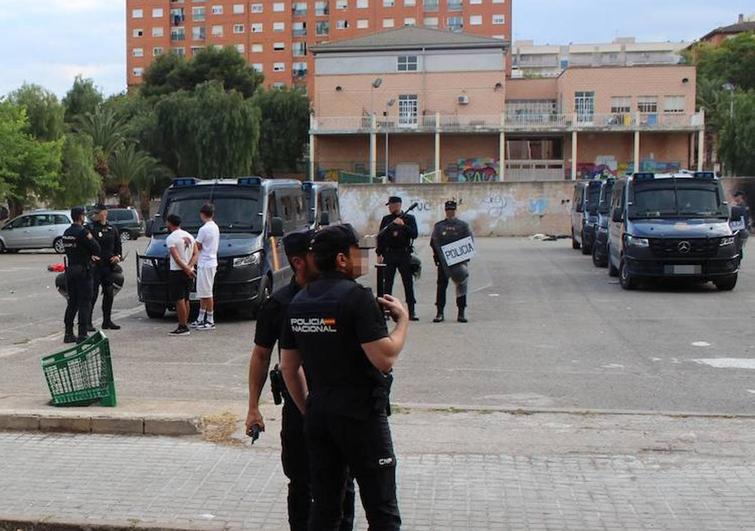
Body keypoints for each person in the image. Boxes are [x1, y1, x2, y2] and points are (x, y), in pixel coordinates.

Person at [280, 224, 408, 531]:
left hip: (320, 416)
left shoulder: (299, 302)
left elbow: (288, 367)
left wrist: (308, 408)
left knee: (325, 510)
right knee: (382, 511)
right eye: (357, 253)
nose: (363, 258)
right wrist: (402, 320)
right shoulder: (356, 298)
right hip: (360, 417)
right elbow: (385, 358)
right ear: (341, 259)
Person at [246, 230, 355, 531]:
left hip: (340, 406)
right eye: (312, 252)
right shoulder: (278, 305)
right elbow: (260, 356)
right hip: (299, 409)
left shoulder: (343, 296)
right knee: (301, 483)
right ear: (299, 261)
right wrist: (253, 407)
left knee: (344, 483)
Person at [430, 200, 474, 324]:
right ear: (445, 211)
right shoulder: (439, 226)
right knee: (441, 286)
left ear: (455, 210)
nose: (450, 212)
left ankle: (461, 313)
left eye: (452, 210)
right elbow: (434, 242)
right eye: (448, 210)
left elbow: (469, 241)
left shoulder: (463, 226)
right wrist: (438, 257)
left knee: (461, 286)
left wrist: (464, 257)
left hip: (458, 261)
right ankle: (439, 312)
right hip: (443, 262)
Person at [377, 196, 419, 321]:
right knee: (387, 283)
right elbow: (380, 237)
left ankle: (411, 311)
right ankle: (386, 310)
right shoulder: (387, 219)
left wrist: (403, 226)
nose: (389, 207)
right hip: (389, 254)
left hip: (404, 254)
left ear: (398, 205)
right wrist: (379, 253)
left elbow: (414, 234)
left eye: (391, 205)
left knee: (408, 283)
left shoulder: (409, 218)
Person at [62, 206, 101, 344]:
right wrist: (91, 256)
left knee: (72, 302)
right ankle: (82, 334)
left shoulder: (66, 232)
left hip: (70, 269)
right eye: (83, 215)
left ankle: (68, 333)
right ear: (80, 216)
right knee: (85, 302)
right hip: (83, 270)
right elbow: (96, 247)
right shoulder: (83, 232)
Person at [88, 205, 123, 331]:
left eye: (100, 212)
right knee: (93, 294)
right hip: (95, 267)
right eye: (96, 213)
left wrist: (117, 256)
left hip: (108, 267)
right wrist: (89, 257)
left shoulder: (112, 228)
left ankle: (107, 321)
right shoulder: (90, 228)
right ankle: (88, 322)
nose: (97, 215)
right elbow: (85, 246)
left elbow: (118, 247)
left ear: (105, 213)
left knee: (109, 293)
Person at [165, 214, 196, 336]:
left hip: (177, 271)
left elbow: (176, 258)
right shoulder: (189, 235)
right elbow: (195, 254)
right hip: (189, 270)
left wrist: (185, 268)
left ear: (170, 223)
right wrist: (189, 267)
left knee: (179, 299)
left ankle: (182, 326)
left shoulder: (171, 238)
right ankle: (185, 323)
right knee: (186, 298)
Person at [191, 203, 220, 330]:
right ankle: (200, 317)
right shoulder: (215, 227)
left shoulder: (204, 229)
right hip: (209, 262)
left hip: (206, 263)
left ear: (202, 214)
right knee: (203, 292)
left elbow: (197, 246)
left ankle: (210, 319)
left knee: (207, 293)